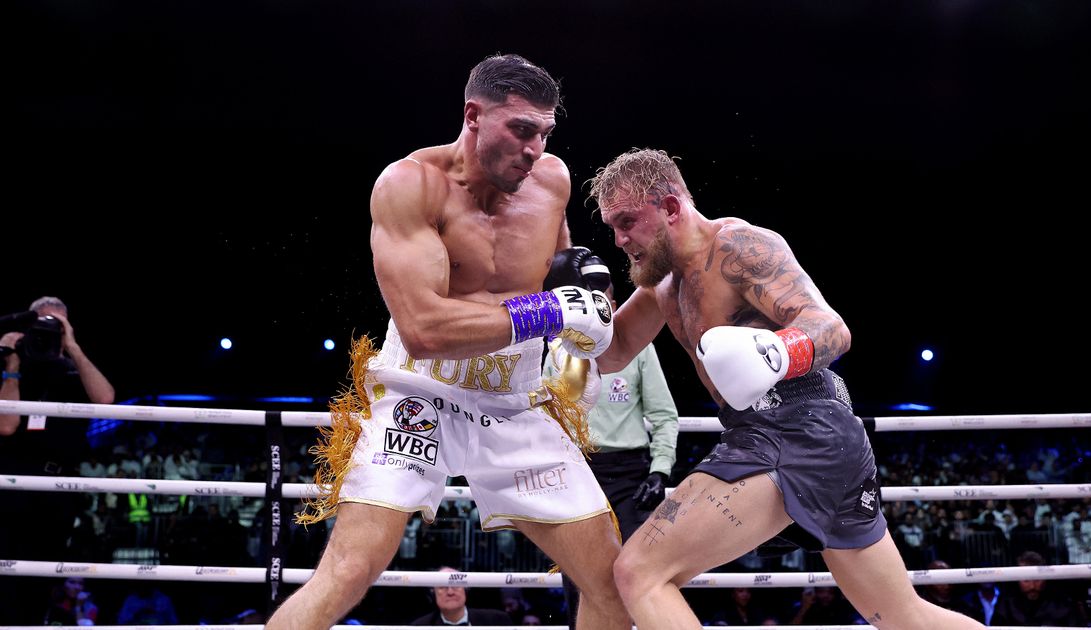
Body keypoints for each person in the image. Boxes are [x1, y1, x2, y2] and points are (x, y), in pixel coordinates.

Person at [267, 54, 627, 630]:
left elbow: (565, 277)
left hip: (514, 402)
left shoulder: (553, 181)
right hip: (419, 394)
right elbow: (425, 330)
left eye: (545, 132)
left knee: (615, 584)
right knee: (347, 573)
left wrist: (587, 301)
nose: (535, 149)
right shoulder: (411, 185)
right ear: (473, 116)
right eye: (521, 129)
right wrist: (551, 310)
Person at [588, 148, 985, 629]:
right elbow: (612, 352)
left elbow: (831, 328)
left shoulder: (737, 246)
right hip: (792, 439)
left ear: (670, 208)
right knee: (903, 616)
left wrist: (774, 354)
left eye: (627, 221)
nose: (619, 238)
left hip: (799, 427)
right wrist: (569, 313)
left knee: (638, 572)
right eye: (612, 226)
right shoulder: (661, 283)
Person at [541, 247, 680, 629]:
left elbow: (664, 416)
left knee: (639, 571)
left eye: (601, 298)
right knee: (579, 575)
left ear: (614, 304)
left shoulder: (639, 349)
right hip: (578, 472)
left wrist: (660, 471)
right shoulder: (555, 351)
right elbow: (544, 419)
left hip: (631, 476)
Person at [0, 296, 115, 625]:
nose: (48, 331)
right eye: (42, 323)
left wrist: (73, 346)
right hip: (11, 484)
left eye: (57, 325)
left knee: (44, 574)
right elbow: (5, 425)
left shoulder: (75, 372)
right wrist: (11, 366)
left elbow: (106, 399)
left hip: (58, 488)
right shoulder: (11, 366)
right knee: (5, 574)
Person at [409, 567, 513, 626]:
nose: (450, 592)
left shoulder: (497, 620)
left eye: (456, 585)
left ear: (465, 589)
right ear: (433, 593)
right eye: (443, 587)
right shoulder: (419, 626)